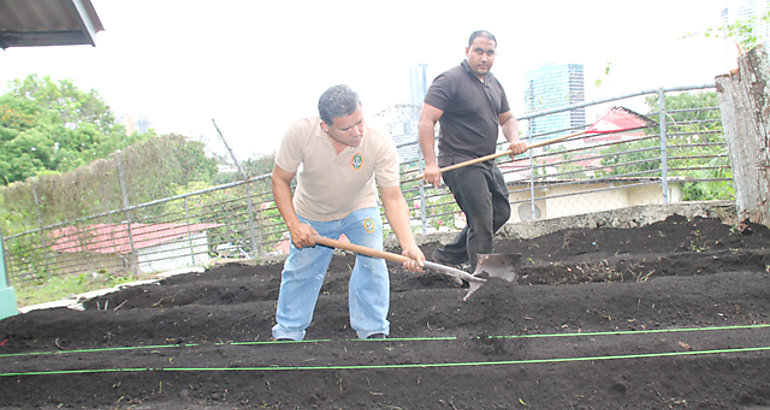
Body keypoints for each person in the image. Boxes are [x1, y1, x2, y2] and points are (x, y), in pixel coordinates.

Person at [271, 84, 425, 341]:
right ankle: (288, 331)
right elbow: (279, 180)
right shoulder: (301, 133)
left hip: (359, 207)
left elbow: (393, 196)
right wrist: (294, 225)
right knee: (302, 270)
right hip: (312, 212)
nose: (356, 132)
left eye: (359, 122)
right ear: (325, 126)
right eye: (346, 128)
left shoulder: (378, 141)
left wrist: (408, 244)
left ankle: (373, 328)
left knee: (373, 263)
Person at [418, 30, 527, 284]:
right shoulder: (449, 81)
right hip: (459, 162)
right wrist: (431, 164)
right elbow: (426, 120)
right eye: (479, 51)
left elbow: (507, 118)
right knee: (480, 219)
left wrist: (514, 140)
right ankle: (481, 279)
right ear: (467, 51)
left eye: (490, 52)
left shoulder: (493, 83)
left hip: (486, 160)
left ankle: (445, 257)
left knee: (500, 211)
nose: (484, 58)